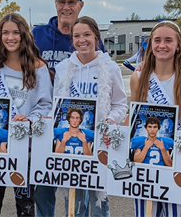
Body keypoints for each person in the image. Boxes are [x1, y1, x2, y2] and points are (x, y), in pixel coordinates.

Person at [0, 12, 52, 217]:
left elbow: (45, 105)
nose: (11, 37)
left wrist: (30, 119)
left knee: (25, 207)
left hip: (26, 149)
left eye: (16, 32)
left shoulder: (38, 66)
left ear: (24, 34)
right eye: (5, 32)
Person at [45, 16, 127, 217]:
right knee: (73, 199)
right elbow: (57, 106)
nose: (82, 40)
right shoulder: (63, 68)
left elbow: (120, 104)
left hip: (99, 143)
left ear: (96, 37)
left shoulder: (110, 68)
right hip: (71, 142)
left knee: (98, 201)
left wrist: (110, 121)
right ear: (72, 39)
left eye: (87, 35)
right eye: (77, 36)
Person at [129, 20, 181, 216]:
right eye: (157, 40)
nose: (162, 45)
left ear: (179, 45)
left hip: (178, 159)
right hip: (144, 165)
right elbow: (132, 119)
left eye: (168, 40)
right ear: (150, 44)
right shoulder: (138, 78)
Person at [32, 0, 105, 75]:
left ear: (81, 5)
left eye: (71, 2)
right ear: (56, 4)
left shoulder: (90, 40)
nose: (66, 7)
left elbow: (103, 73)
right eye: (62, 2)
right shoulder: (37, 34)